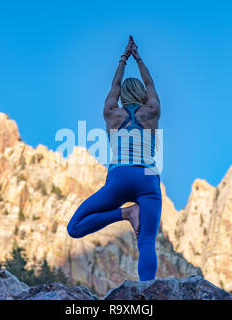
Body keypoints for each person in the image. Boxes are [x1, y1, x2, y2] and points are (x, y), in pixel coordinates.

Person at [67, 35, 162, 281]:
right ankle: (148, 294)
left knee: (74, 228)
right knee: (147, 241)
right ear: (142, 94)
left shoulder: (111, 112)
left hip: (119, 176)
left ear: (121, 96)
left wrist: (123, 59)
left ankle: (126, 213)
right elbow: (150, 84)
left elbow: (114, 85)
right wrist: (138, 58)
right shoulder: (152, 111)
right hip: (148, 178)